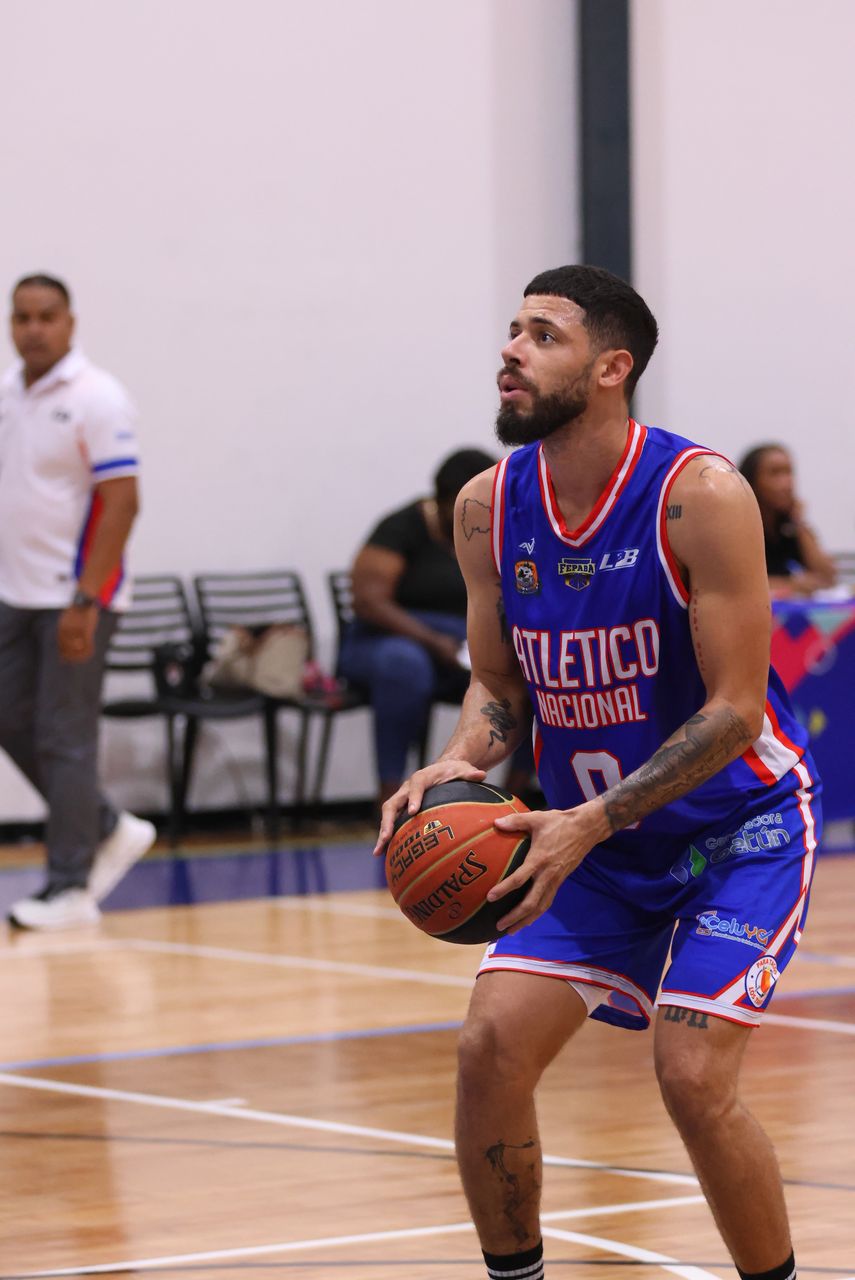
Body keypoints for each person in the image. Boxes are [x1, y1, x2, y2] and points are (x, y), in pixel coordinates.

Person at [376, 265, 820, 1280]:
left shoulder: (698, 495)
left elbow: (735, 710)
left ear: (612, 367)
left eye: (543, 335)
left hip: (737, 826)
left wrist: (589, 820)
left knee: (691, 1070)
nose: (511, 350)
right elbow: (498, 686)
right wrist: (456, 759)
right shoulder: (489, 507)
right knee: (490, 1047)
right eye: (512, 330)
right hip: (596, 839)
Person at [0, 274, 156, 930]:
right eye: (22, 316)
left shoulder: (98, 397)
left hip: (77, 597)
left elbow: (121, 501)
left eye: (46, 316)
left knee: (65, 736)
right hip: (14, 593)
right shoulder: (10, 392)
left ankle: (68, 886)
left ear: (70, 323)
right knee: (12, 720)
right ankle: (109, 824)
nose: (33, 328)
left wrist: (85, 598)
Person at [340, 448, 534, 808]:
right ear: (444, 499)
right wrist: (433, 641)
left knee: (535, 670)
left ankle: (514, 800)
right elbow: (368, 601)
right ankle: (394, 800)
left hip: (458, 648)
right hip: (386, 643)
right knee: (404, 665)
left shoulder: (494, 532)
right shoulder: (402, 527)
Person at [739, 443, 837, 597]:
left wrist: (798, 522)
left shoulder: (788, 525)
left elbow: (827, 577)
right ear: (752, 481)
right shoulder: (738, 525)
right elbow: (737, 583)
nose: (786, 483)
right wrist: (790, 584)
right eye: (775, 473)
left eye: (789, 473)